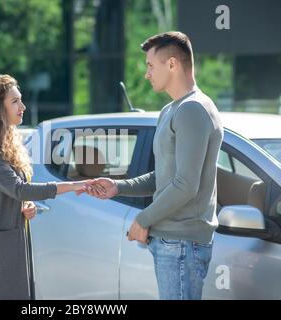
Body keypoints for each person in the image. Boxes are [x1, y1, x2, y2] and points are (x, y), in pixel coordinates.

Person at [80, 31, 224, 300]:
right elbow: (166, 176)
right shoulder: (172, 110)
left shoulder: (193, 109)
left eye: (150, 65)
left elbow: (185, 185)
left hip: (182, 244)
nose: (146, 74)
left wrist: (142, 219)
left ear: (172, 64)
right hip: (172, 242)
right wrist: (118, 187)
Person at [0, 74, 86, 300]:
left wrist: (26, 204)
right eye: (15, 101)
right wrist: (73, 185)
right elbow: (18, 188)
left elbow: (15, 192)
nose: (23, 106)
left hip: (10, 241)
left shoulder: (6, 143)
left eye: (21, 100)